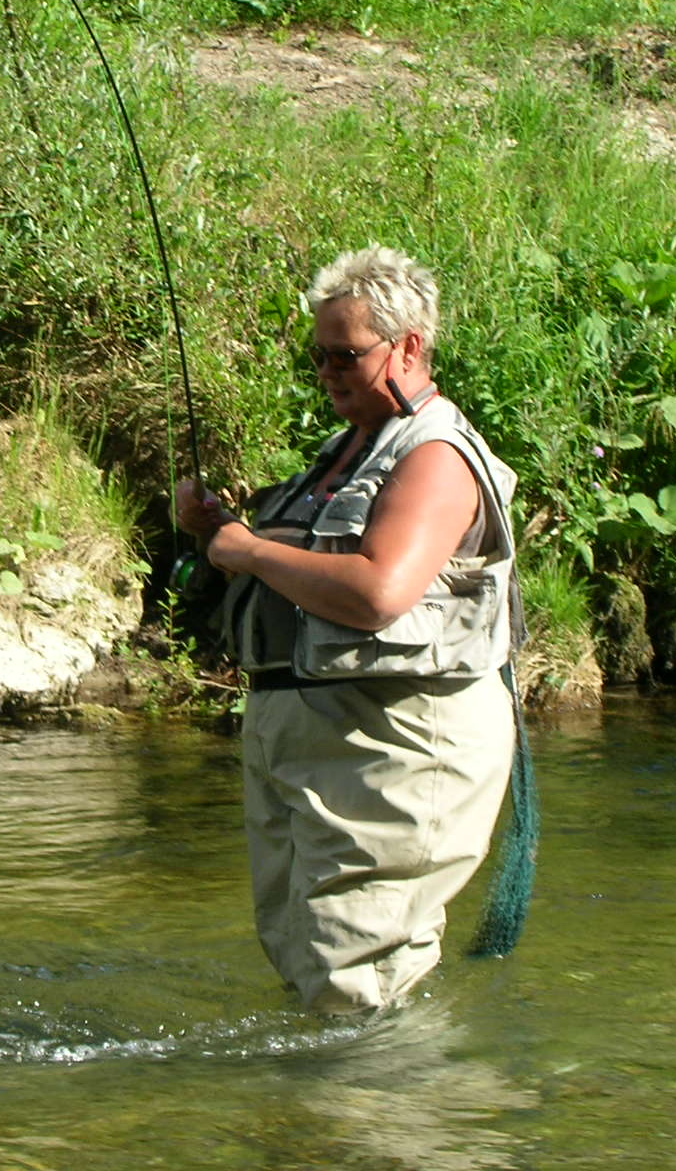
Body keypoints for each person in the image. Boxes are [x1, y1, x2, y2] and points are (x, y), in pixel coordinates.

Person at [175, 246, 519, 1014]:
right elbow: (305, 571)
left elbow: (378, 593)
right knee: (305, 959)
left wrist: (251, 549)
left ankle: (383, 1126)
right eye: (318, 356)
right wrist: (221, 531)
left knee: (355, 979)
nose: (327, 371)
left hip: (393, 753)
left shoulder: (434, 458)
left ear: (410, 347)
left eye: (345, 356)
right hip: (312, 746)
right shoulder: (345, 450)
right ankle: (315, 1131)